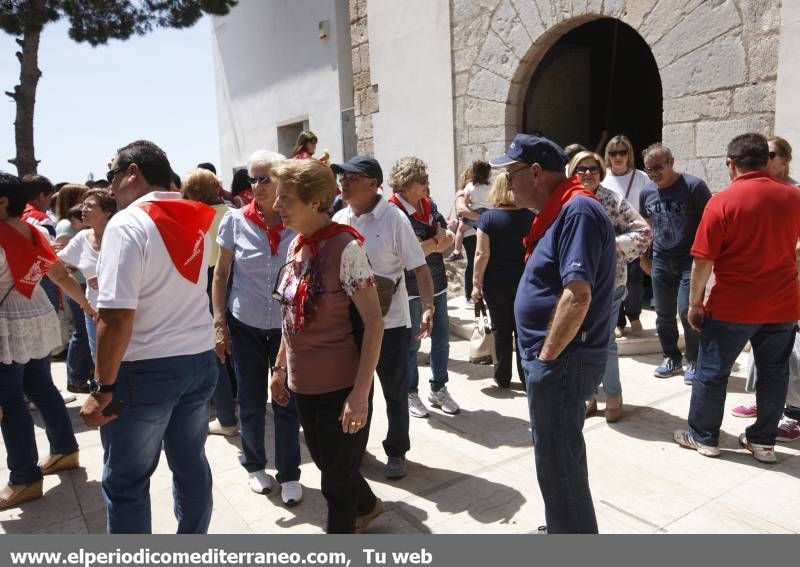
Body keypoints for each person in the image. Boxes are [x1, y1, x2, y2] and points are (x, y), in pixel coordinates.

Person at [79, 140, 218, 534]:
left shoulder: (127, 223)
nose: (108, 189)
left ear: (133, 173)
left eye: (112, 177)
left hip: (146, 369)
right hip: (198, 358)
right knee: (191, 463)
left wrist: (101, 386)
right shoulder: (195, 216)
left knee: (125, 482)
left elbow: (116, 317)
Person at [491, 134, 615, 534]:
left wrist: (545, 359)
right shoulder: (557, 210)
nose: (508, 184)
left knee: (559, 461)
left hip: (562, 360)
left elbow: (577, 295)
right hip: (554, 358)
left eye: (512, 175)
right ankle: (563, 528)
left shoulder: (577, 210)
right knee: (554, 457)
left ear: (537, 172)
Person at [270, 158, 384, 533]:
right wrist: (280, 367)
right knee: (327, 463)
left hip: (341, 387)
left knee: (334, 484)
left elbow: (373, 323)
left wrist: (360, 394)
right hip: (304, 386)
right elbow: (290, 317)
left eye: (285, 199)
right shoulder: (295, 248)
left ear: (315, 202)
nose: (276, 206)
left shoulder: (346, 249)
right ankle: (367, 505)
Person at [673, 133, 800, 463]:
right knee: (774, 375)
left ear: (731, 164)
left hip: (733, 306)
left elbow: (703, 260)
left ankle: (704, 437)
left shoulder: (722, 202)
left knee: (712, 372)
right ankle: (763, 443)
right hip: (783, 305)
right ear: (764, 160)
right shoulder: (793, 197)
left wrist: (694, 303)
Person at [332, 156, 434, 479]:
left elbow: (420, 267)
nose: (344, 182)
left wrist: (429, 307)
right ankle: (356, 447)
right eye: (342, 176)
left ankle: (396, 450)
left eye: (352, 177)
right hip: (351, 324)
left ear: (373, 184)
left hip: (390, 324)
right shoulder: (339, 218)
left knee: (394, 391)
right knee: (359, 391)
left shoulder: (395, 220)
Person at [211, 151, 304, 505]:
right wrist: (219, 322)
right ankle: (254, 465)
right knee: (249, 399)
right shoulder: (235, 221)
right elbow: (220, 276)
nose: (258, 186)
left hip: (286, 327)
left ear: (282, 179)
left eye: (265, 178)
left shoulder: (296, 219)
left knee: (286, 398)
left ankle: (290, 473)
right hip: (245, 324)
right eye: (253, 179)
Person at [0, 171, 92, 510]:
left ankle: (24, 477)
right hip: (36, 313)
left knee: (10, 400)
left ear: (3, 201)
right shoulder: (35, 230)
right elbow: (57, 273)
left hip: (7, 322)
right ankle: (65, 450)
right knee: (40, 386)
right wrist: (84, 304)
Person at [567, 151, 651, 422]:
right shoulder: (565, 199)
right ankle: (588, 395)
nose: (587, 174)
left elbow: (643, 231)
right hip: (572, 284)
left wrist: (612, 244)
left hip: (608, 283)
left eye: (592, 168)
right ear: (571, 172)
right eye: (581, 169)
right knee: (578, 341)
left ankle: (613, 395)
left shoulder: (612, 199)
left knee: (605, 343)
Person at [731, 136, 800, 440]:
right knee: (764, 351)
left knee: (793, 353)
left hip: (790, 286)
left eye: (771, 154)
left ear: (785, 160)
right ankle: (766, 404)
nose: (765, 159)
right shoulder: (759, 192)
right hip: (764, 289)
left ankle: (795, 413)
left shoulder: (795, 193)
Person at [386, 157, 458, 418]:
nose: (428, 184)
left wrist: (431, 242)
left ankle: (439, 388)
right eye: (423, 180)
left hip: (437, 282)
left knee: (441, 340)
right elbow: (410, 253)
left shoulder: (429, 205)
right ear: (406, 184)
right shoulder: (394, 211)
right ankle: (410, 392)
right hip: (410, 288)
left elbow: (447, 240)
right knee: (412, 345)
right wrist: (433, 241)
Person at [639, 143, 711, 384]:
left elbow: (708, 224)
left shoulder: (693, 186)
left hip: (688, 260)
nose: (653, 173)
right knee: (663, 314)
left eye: (658, 167)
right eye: (648, 169)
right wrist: (643, 257)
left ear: (671, 162)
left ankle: (693, 359)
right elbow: (647, 226)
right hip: (660, 258)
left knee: (686, 310)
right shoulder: (647, 192)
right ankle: (671, 356)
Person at [182, 168, 239, 443]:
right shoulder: (232, 212)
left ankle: (227, 417)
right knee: (237, 348)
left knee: (216, 351)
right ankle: (237, 405)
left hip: (208, 283)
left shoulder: (193, 216)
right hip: (237, 281)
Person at [471, 173, 534, 389]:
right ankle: (527, 377)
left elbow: (481, 254)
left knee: (501, 330)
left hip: (495, 283)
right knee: (523, 330)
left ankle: (502, 376)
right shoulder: (531, 217)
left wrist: (475, 284)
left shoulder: (487, 219)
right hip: (524, 282)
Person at [57, 189, 117, 388]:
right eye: (83, 205)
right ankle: (107, 405)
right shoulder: (82, 237)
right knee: (98, 360)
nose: (83, 209)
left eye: (90, 206)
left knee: (122, 360)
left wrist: (106, 277)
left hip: (121, 310)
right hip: (93, 311)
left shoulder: (119, 234)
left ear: (107, 212)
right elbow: (59, 262)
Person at [603, 135, 651, 337]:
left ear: (628, 154)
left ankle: (634, 315)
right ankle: (618, 321)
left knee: (634, 279)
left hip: (634, 235)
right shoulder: (603, 176)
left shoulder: (641, 177)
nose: (618, 157)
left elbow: (648, 207)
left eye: (622, 152)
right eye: (613, 153)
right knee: (614, 280)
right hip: (610, 238)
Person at [51, 183, 94, 393]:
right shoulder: (69, 226)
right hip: (78, 283)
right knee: (83, 332)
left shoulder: (70, 223)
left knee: (83, 331)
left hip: (79, 282)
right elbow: (64, 260)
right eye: (81, 195)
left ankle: (77, 377)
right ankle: (75, 379)